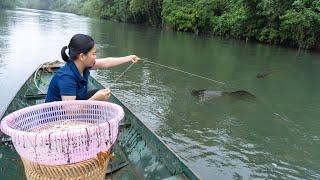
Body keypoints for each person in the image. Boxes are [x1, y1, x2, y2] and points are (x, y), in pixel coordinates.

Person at [45, 34, 139, 103]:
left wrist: (129, 58)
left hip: (74, 105)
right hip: (57, 118)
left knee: (100, 95)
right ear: (82, 56)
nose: (95, 56)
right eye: (93, 54)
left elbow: (106, 62)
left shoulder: (83, 65)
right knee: (98, 97)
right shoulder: (67, 77)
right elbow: (71, 112)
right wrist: (95, 99)